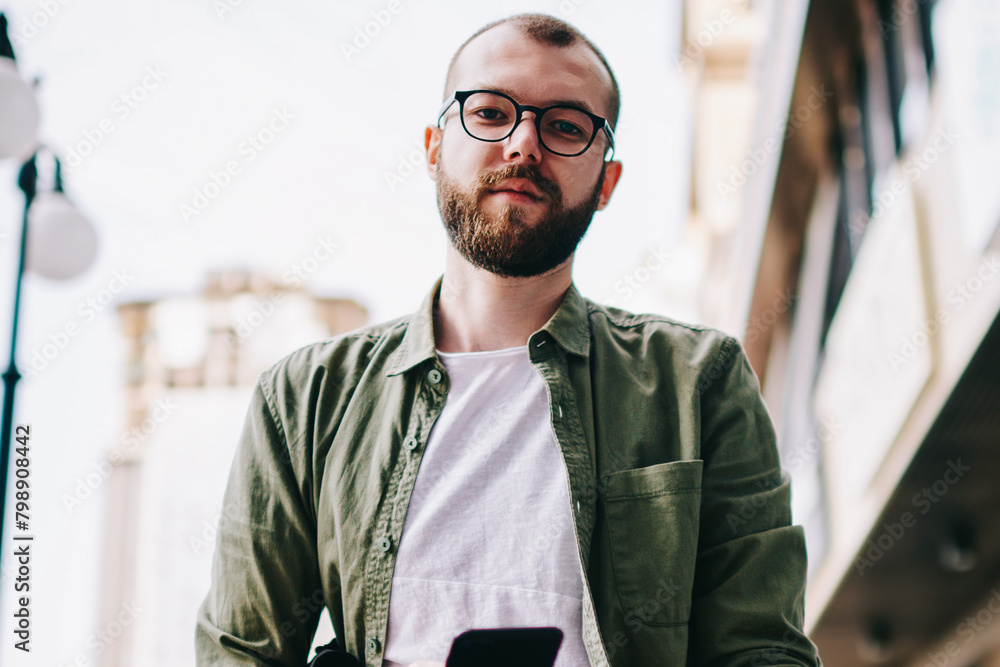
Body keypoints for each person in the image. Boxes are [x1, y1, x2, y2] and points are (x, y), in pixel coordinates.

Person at [195, 13, 822, 667]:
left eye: (566, 126)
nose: (524, 144)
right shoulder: (306, 397)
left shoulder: (698, 381)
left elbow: (760, 649)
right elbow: (241, 651)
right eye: (491, 113)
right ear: (435, 146)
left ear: (606, 182)